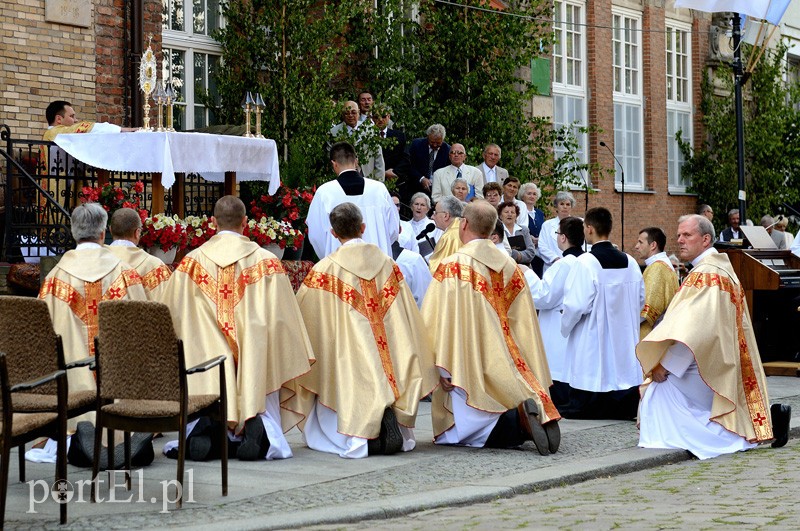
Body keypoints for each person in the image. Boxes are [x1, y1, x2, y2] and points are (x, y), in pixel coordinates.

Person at [160, 196, 315, 461]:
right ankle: (257, 425)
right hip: (253, 362)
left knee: (203, 382)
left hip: (207, 366)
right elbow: (283, 321)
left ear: (212, 223)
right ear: (246, 223)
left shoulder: (189, 264)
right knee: (261, 365)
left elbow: (169, 319)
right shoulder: (267, 262)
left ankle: (207, 427)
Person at [287, 203, 437, 458]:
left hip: (348, 355)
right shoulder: (388, 264)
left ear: (334, 234)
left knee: (336, 387)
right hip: (387, 353)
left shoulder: (324, 270)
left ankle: (362, 437)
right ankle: (390, 419)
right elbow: (406, 313)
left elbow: (309, 320)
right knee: (388, 370)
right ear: (363, 228)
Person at [638, 214, 791, 459]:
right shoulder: (717, 268)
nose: (680, 240)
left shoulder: (706, 274)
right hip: (722, 360)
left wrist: (665, 366)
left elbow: (693, 330)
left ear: (706, 239)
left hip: (711, 364)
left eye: (687, 235)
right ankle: (767, 419)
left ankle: (731, 436)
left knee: (658, 392)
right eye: (678, 235)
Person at [422, 200, 561, 455]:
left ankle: (515, 424)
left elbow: (435, 321)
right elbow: (525, 321)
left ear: (463, 224)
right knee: (507, 387)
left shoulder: (453, 265)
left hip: (469, 357)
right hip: (508, 358)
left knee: (466, 425)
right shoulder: (511, 266)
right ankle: (529, 412)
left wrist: (442, 367)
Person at [39, 203, 147, 418]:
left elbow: (42, 335)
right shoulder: (126, 273)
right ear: (102, 233)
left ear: (73, 232)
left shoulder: (54, 279)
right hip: (120, 395)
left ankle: (79, 424)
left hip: (72, 393)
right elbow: (143, 327)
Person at [560, 207, 644, 419]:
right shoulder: (631, 262)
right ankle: (624, 406)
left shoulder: (586, 263)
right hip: (624, 336)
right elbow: (640, 299)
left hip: (593, 336)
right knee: (621, 368)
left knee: (593, 367)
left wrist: (565, 326)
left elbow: (575, 305)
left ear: (589, 229)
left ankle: (588, 407)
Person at [524, 216, 584, 407]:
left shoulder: (563, 264)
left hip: (558, 323)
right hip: (574, 322)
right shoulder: (586, 261)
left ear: (563, 238)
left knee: (557, 364)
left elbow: (544, 296)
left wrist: (527, 273)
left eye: (558, 234)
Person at [307, 141, 399, 258]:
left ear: (334, 164)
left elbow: (316, 235)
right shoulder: (379, 189)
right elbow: (393, 230)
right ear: (356, 161)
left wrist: (328, 256)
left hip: (340, 263)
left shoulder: (325, 192)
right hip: (377, 262)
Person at [107, 208, 172, 301]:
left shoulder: (97, 261)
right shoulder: (155, 267)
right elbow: (166, 306)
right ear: (137, 233)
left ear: (110, 230)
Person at [633, 227, 679, 339]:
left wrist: (625, 323)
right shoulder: (662, 264)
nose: (636, 246)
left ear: (653, 245)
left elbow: (647, 309)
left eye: (640, 242)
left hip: (651, 334)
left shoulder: (657, 268)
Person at [329, 101, 385, 181]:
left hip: (368, 178)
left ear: (359, 113)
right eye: (347, 113)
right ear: (342, 114)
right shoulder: (334, 132)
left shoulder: (370, 130)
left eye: (353, 112)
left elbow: (378, 158)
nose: (350, 115)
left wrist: (380, 181)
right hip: (344, 179)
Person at [407, 124, 451, 201]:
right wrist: (421, 178)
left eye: (438, 143)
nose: (434, 145)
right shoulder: (416, 145)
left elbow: (448, 171)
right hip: (415, 187)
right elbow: (409, 165)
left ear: (442, 140)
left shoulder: (447, 150)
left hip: (438, 191)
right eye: (432, 142)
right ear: (428, 137)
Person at [538, 191, 577, 272]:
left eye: (568, 204)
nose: (565, 207)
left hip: (573, 267)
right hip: (552, 267)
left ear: (571, 207)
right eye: (562, 204)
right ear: (556, 206)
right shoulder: (547, 225)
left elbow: (584, 245)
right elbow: (542, 246)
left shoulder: (578, 224)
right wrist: (555, 258)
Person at [372, 105, 409, 188]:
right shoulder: (367, 136)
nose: (380, 119)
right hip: (373, 179)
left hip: (394, 180)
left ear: (388, 117)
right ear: (372, 118)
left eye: (383, 116)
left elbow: (406, 157)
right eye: (377, 117)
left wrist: (395, 172)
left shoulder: (399, 135)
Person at [427, 196, 463, 273]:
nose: (432, 217)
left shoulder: (449, 237)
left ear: (446, 216)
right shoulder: (462, 229)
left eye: (435, 213)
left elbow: (436, 270)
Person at [519, 182, 545, 276]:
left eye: (534, 194)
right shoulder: (519, 212)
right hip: (526, 251)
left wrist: (540, 239)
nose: (532, 196)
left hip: (539, 253)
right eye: (529, 193)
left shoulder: (539, 213)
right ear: (522, 196)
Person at [498, 201, 536, 267]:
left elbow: (531, 252)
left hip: (525, 268)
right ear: (500, 216)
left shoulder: (524, 230)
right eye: (506, 212)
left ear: (516, 216)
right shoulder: (497, 232)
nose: (509, 214)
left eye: (512, 212)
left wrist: (517, 255)